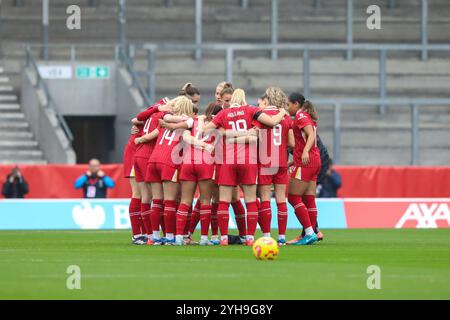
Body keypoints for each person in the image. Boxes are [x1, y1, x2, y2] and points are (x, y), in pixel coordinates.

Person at [201, 88, 288, 246]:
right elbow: (271, 123)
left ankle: (224, 238)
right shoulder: (251, 110)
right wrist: (282, 111)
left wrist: (226, 134)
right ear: (244, 99)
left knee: (224, 201)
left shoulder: (223, 113)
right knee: (250, 200)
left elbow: (205, 129)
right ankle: (249, 238)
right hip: (248, 159)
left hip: (228, 160)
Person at [253, 87, 294, 245]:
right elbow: (291, 143)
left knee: (265, 199)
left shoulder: (260, 115)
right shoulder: (286, 118)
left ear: (266, 100)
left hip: (265, 162)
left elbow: (255, 137)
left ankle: (267, 235)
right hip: (281, 161)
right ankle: (282, 237)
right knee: (281, 200)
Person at [285, 93, 321, 245]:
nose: (287, 108)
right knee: (309, 198)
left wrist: (305, 151)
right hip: (314, 161)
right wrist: (292, 162)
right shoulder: (307, 116)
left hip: (306, 162)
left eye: (289, 104)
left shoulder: (300, 116)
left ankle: (309, 232)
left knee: (293, 197)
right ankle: (310, 233)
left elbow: (311, 135)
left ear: (295, 104)